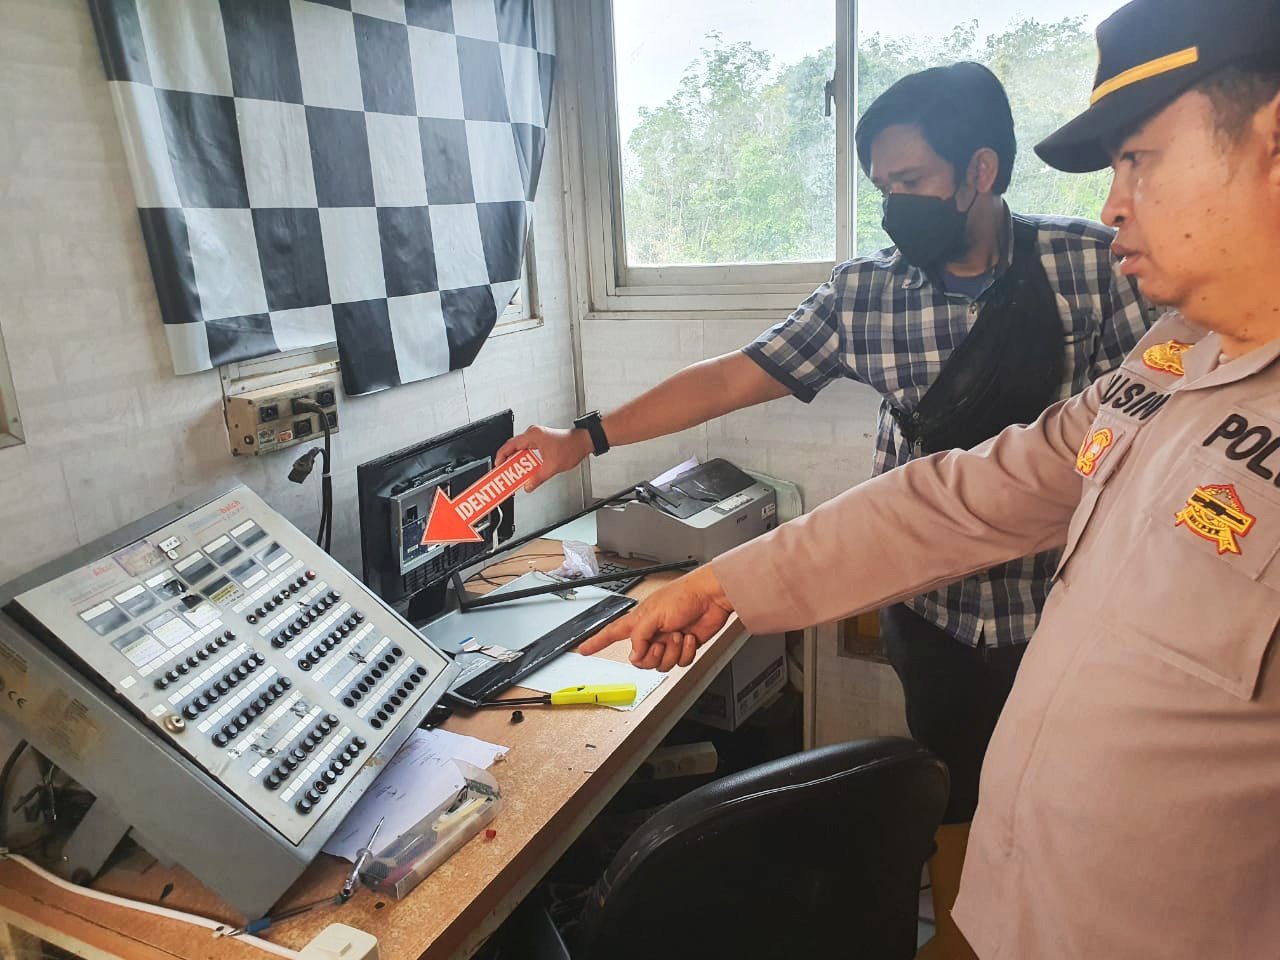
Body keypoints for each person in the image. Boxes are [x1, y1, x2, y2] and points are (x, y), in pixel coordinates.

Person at [579, 0, 1280, 955]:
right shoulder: (1175, 361)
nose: (1117, 204)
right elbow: (963, 495)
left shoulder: (1094, 272)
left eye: (1140, 160)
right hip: (1023, 885)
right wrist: (723, 580)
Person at [502, 60, 1152, 955]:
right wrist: (584, 439)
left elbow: (1146, 427)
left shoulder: (1093, 265)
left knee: (1065, 805)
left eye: (911, 181)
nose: (893, 206)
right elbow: (731, 377)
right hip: (936, 610)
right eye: (881, 187)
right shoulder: (866, 293)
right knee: (956, 792)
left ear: (982, 170)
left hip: (1067, 601)